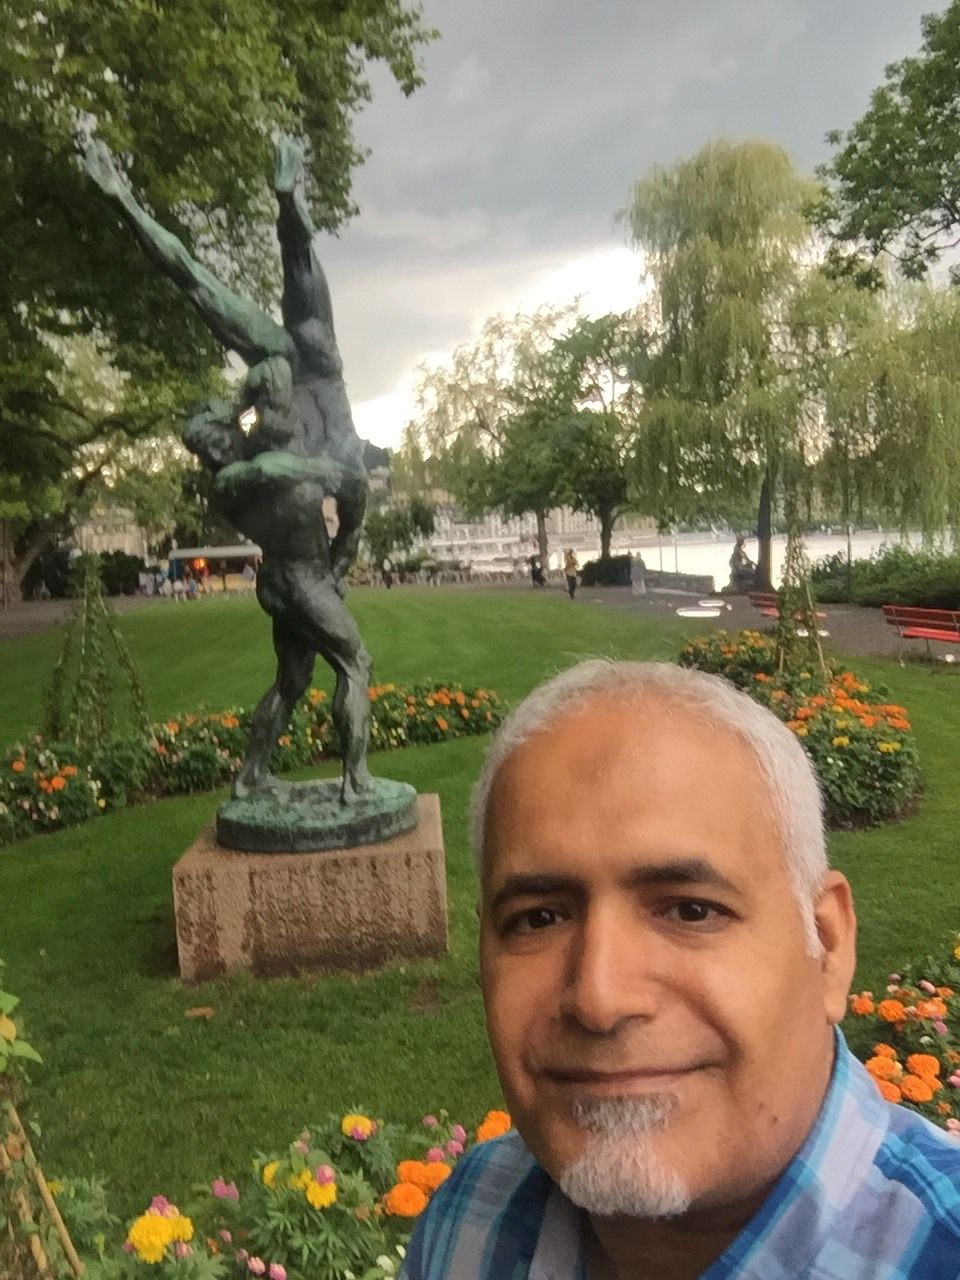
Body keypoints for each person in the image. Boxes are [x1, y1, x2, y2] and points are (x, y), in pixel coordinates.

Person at [402, 660, 960, 1279]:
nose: (600, 998)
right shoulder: (467, 1219)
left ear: (826, 946)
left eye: (692, 911)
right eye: (539, 918)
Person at [84, 137, 372, 802]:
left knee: (293, 680)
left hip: (292, 561)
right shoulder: (302, 403)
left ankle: (251, 777)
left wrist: (125, 201)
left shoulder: (260, 424)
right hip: (306, 550)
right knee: (354, 663)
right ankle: (356, 783)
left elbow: (194, 275)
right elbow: (349, 498)